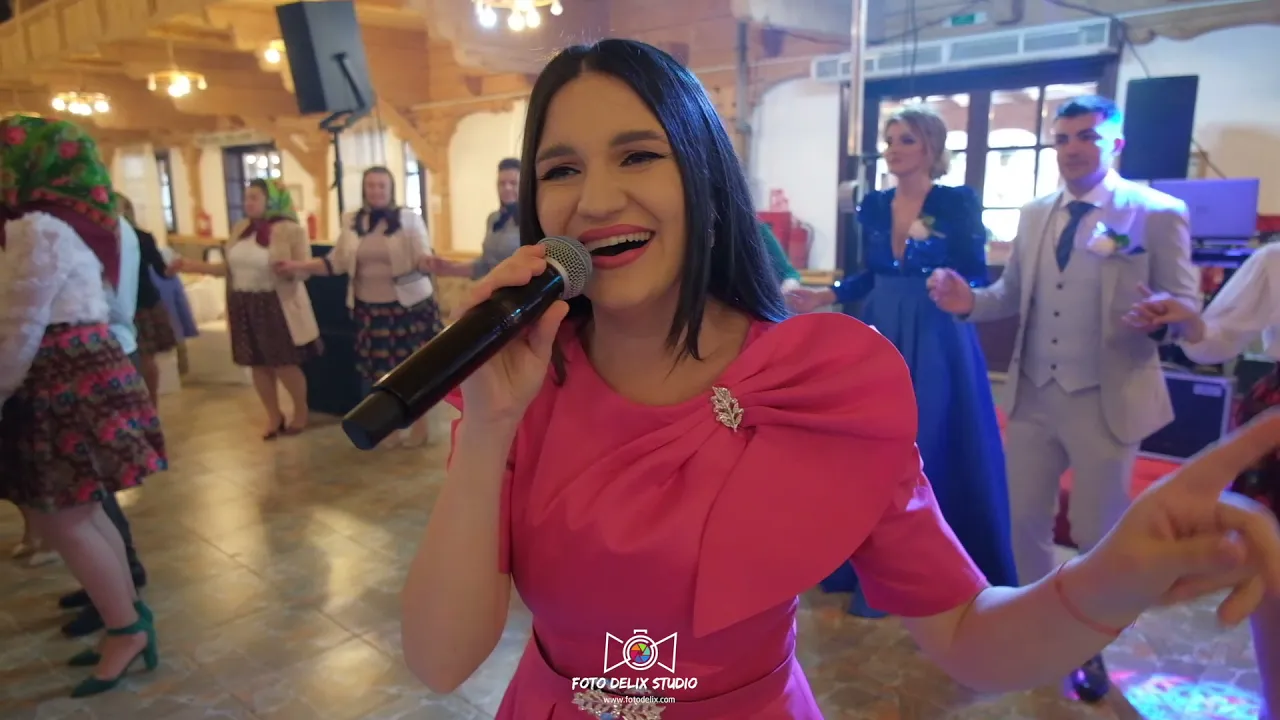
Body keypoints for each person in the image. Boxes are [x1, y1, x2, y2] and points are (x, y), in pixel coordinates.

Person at [399, 41, 1280, 718]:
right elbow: (441, 662)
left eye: (637, 155)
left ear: (704, 175)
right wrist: (489, 423)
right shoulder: (524, 382)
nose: (593, 201)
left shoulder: (815, 386)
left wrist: (1112, 576)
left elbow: (966, 632)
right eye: (561, 169)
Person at [926, 95, 1203, 702]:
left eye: (1087, 137)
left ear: (1115, 145)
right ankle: (1042, 630)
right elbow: (1009, 295)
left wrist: (1169, 316)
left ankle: (1089, 645)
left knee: (1097, 532)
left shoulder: (1157, 212)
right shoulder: (1034, 214)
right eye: (1064, 137)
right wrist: (968, 302)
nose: (1073, 148)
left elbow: (1188, 307)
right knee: (1024, 522)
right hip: (1034, 393)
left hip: (1108, 396)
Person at [788, 107, 1017, 617]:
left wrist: (955, 283)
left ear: (931, 148)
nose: (893, 148)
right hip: (882, 324)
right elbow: (868, 275)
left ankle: (939, 569)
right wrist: (826, 294)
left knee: (931, 439)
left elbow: (976, 275)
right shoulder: (874, 205)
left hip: (936, 331)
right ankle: (872, 566)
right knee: (875, 442)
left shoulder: (956, 203)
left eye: (906, 139)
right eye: (889, 139)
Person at [0, 115, 162, 697]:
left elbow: (20, 325)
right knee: (80, 513)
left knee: (66, 518)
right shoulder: (59, 223)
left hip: (62, 372)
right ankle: (127, 619)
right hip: (76, 366)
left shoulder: (38, 227)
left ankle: (125, 627)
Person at [1124, 242, 1280, 717]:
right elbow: (1216, 338)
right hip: (1276, 430)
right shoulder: (1274, 261)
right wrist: (1190, 322)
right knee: (1271, 569)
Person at [275, 166, 444, 447]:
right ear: (364, 189)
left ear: (391, 189)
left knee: (411, 371)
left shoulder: (409, 219)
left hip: (406, 308)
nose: (376, 191)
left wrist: (431, 263)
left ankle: (420, 426)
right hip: (369, 309)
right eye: (371, 185)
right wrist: (298, 266)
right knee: (379, 375)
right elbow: (335, 262)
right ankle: (391, 426)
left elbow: (422, 257)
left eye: (381, 185)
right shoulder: (353, 221)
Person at [58, 208, 152, 640]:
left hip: (103, 350)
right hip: (100, 350)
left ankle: (118, 585)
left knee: (92, 482)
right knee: (90, 489)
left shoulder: (106, 228)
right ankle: (111, 581)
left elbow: (114, 304)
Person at [170, 178, 321, 439]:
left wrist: (290, 269)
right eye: (246, 197)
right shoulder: (241, 228)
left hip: (276, 303)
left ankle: (300, 411)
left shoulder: (291, 230)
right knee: (257, 364)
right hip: (244, 303)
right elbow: (228, 269)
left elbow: (304, 270)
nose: (247, 203)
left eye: (254, 197)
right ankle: (273, 416)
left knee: (284, 363)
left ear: (270, 200)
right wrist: (192, 266)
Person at [117, 194, 178, 401]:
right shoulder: (104, 238)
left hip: (143, 301)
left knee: (145, 358)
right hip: (120, 303)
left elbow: (161, 270)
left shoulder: (142, 238)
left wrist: (173, 268)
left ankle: (151, 404)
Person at [432, 157, 522, 279]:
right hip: (492, 287)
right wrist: (449, 268)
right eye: (502, 183)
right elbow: (484, 265)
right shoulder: (493, 219)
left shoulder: (531, 220)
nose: (507, 188)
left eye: (513, 183)